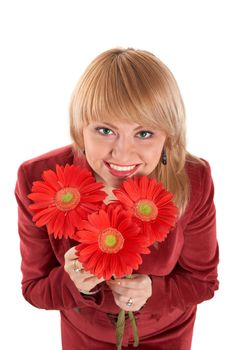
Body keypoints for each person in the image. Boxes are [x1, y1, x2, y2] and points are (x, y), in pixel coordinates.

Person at [15, 48, 219, 350]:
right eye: (105, 130)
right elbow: (34, 289)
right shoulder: (37, 179)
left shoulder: (193, 179)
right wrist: (72, 284)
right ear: (79, 127)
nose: (122, 155)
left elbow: (203, 282)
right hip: (84, 335)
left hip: (168, 333)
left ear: (169, 136)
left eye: (145, 133)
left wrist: (154, 290)